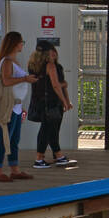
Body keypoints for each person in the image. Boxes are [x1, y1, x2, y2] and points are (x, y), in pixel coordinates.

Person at [0, 31, 37, 182]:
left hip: (16, 105)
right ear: (15, 43)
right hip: (8, 105)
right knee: (4, 138)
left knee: (14, 139)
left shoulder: (13, 60)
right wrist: (25, 78)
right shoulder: (7, 61)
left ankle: (14, 169)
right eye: (21, 42)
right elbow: (6, 81)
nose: (23, 44)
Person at [27, 40, 73, 168]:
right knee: (48, 130)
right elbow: (56, 85)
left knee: (49, 130)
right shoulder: (51, 66)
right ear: (47, 53)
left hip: (38, 102)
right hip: (51, 103)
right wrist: (65, 101)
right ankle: (39, 159)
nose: (54, 53)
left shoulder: (32, 65)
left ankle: (58, 155)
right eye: (51, 51)